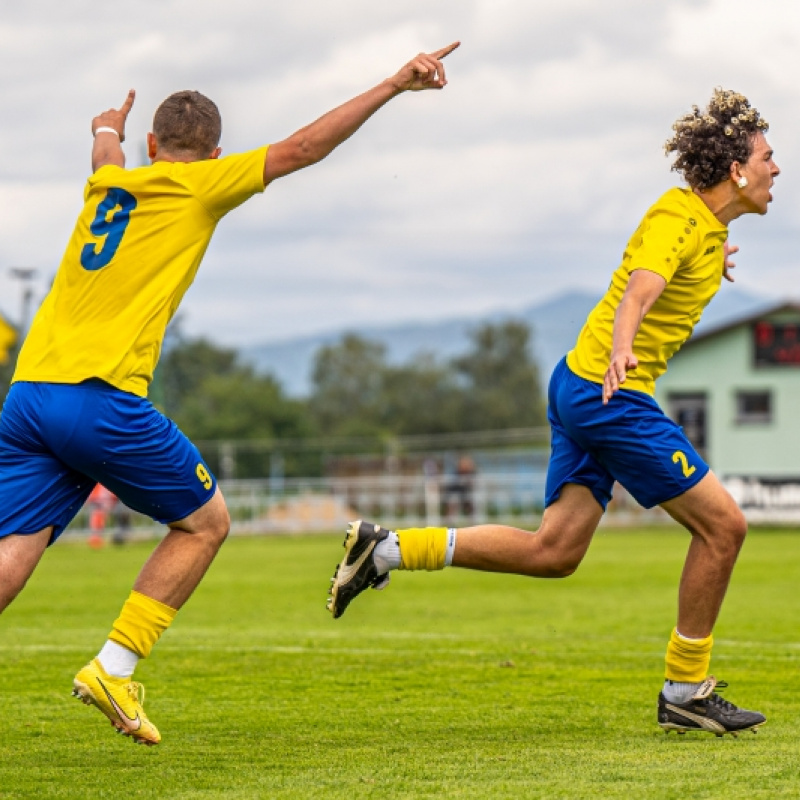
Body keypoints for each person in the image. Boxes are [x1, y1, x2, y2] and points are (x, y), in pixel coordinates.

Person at [0, 41, 459, 746]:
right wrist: (396, 83)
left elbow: (103, 158)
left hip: (29, 393)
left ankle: (112, 670)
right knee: (206, 523)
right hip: (99, 395)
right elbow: (304, 147)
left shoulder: (110, 186)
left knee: (13, 552)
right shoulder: (200, 186)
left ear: (154, 144)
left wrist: (104, 129)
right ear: (214, 157)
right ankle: (113, 669)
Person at [328, 88, 779, 738]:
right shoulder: (681, 221)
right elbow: (640, 288)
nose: (777, 169)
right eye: (769, 156)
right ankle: (686, 687)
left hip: (582, 386)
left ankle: (387, 549)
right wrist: (624, 347)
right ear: (738, 169)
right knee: (725, 527)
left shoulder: (703, 228)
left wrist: (709, 259)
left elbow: (669, 266)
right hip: (609, 394)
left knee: (555, 551)